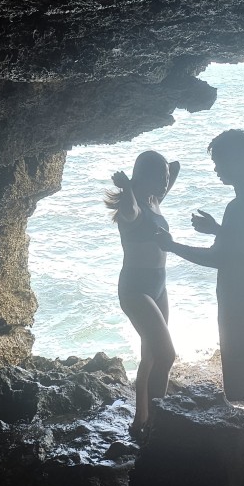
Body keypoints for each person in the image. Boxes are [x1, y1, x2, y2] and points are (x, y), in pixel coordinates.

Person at [157, 129, 244, 426]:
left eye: (219, 162)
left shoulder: (238, 207)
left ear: (237, 160)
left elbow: (218, 258)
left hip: (243, 309)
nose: (216, 169)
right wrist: (217, 230)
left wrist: (172, 246)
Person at [107, 150, 181, 439]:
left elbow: (175, 167)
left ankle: (141, 420)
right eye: (160, 178)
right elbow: (131, 210)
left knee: (150, 357)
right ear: (146, 177)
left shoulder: (154, 199)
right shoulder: (133, 208)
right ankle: (155, 424)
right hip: (136, 290)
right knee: (166, 356)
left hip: (159, 286)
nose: (165, 183)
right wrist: (128, 188)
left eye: (165, 179)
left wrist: (161, 173)